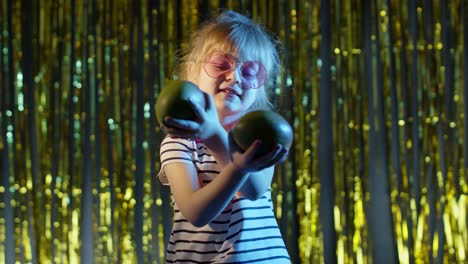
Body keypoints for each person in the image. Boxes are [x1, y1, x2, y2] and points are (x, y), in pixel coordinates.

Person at [157, 10, 291, 263]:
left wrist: (216, 138)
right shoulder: (178, 143)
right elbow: (196, 213)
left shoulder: (261, 135)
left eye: (250, 71)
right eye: (220, 64)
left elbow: (254, 189)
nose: (234, 76)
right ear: (192, 72)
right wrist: (234, 163)